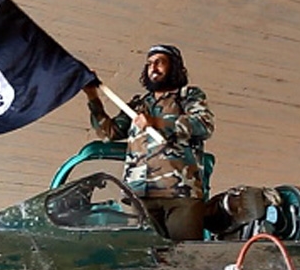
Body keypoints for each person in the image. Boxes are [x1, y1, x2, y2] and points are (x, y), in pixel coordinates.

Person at [83, 44, 215, 241]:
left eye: (160, 62)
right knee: (145, 258)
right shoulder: (138, 105)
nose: (153, 68)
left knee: (184, 256)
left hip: (180, 193)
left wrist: (158, 122)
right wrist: (92, 97)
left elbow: (204, 125)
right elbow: (109, 132)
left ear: (175, 67)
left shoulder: (187, 96)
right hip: (139, 196)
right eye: (150, 64)